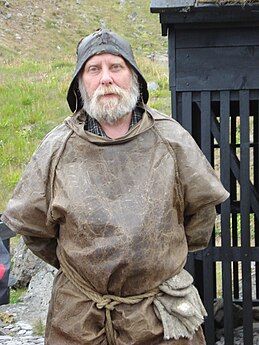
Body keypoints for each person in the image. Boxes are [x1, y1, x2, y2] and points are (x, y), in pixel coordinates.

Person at [1, 29, 229, 345]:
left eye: (116, 67)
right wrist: (83, 270)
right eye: (94, 69)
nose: (106, 78)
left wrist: (155, 262)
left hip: (160, 313)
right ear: (81, 83)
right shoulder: (57, 148)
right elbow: (35, 231)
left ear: (133, 76)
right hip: (78, 317)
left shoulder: (171, 140)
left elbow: (201, 218)